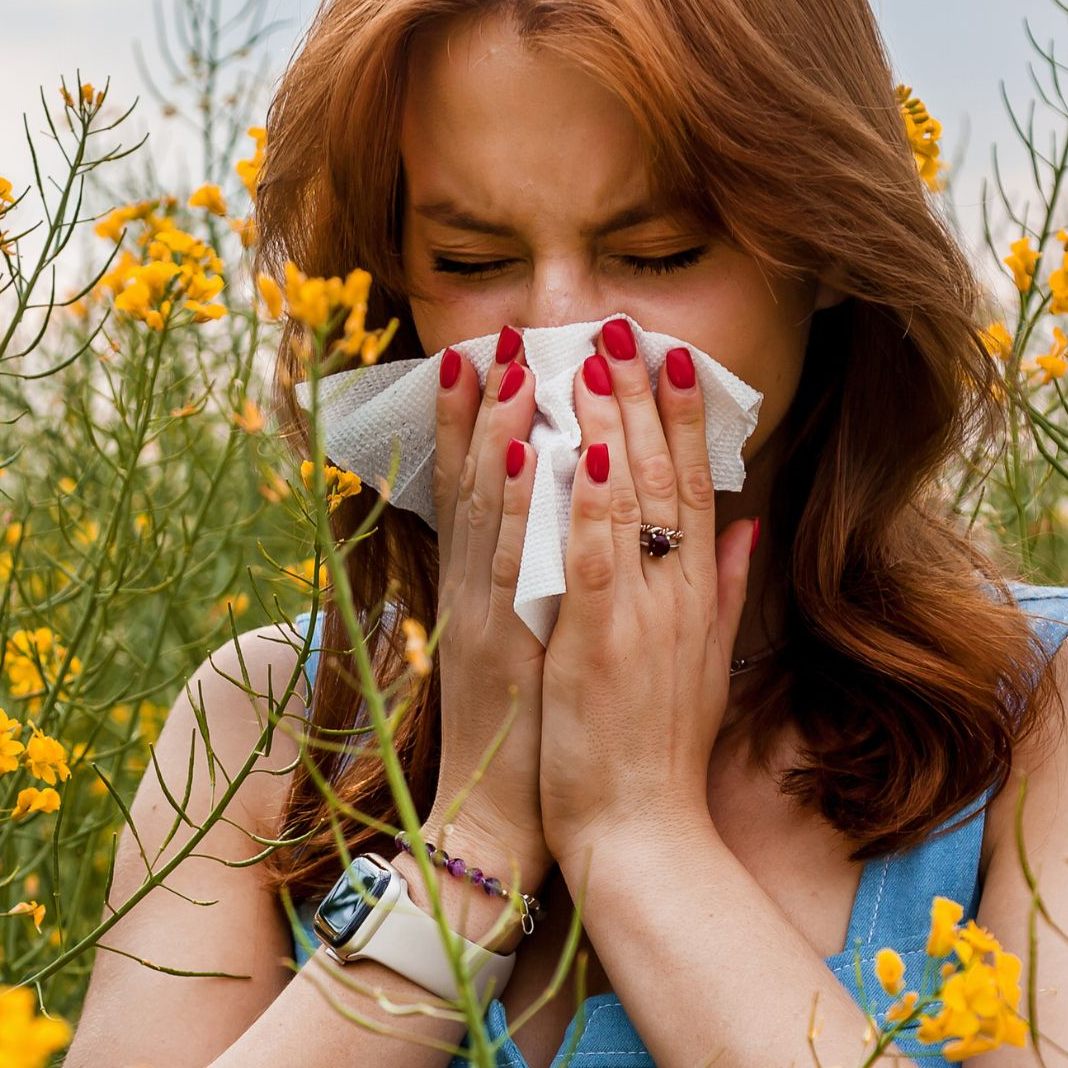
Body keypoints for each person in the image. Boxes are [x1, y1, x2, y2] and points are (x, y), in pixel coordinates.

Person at [67, 1, 1068, 1066]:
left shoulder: (1034, 717)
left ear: (822, 253)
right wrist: (467, 847)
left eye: (659, 253)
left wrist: (640, 838)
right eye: (467, 260)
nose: (555, 336)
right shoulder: (263, 721)